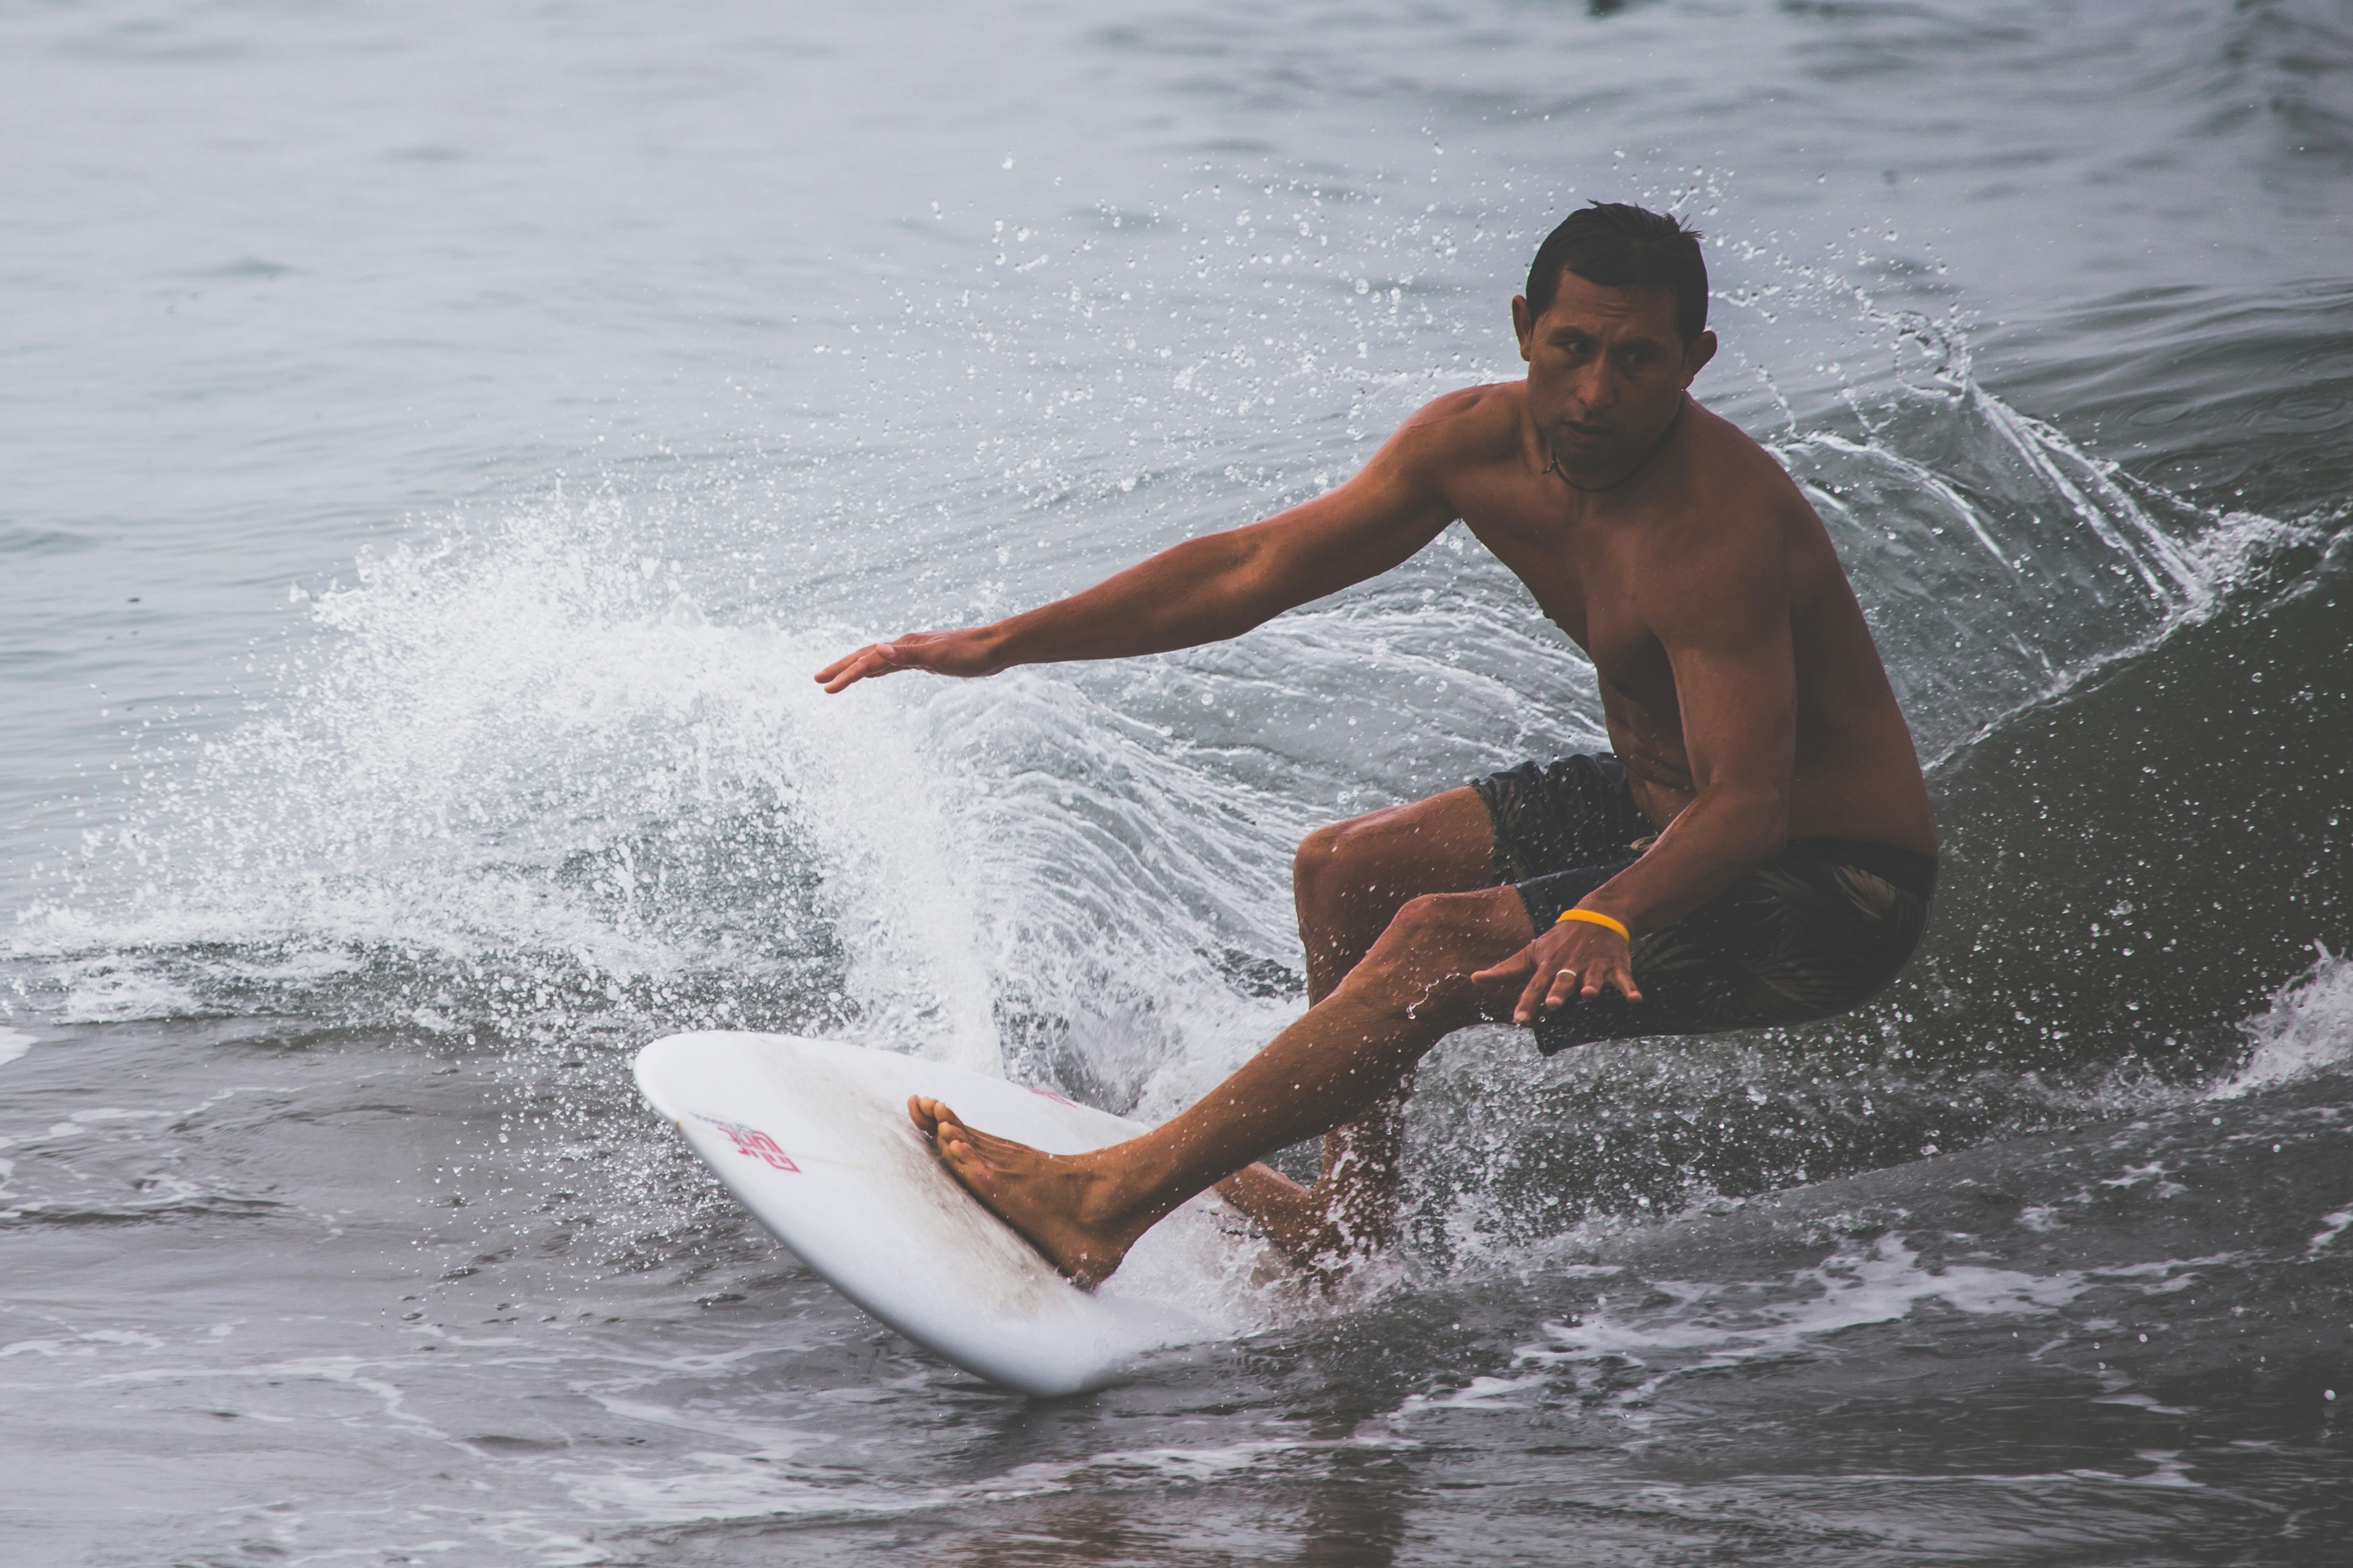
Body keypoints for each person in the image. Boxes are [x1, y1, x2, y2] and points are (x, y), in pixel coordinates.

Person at [815, 202, 1939, 1287]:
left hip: (1829, 883)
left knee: (1433, 945)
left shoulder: (1713, 529)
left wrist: (1607, 915)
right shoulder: (1474, 445)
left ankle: (1103, 1206)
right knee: (1349, 869)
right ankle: (1343, 1225)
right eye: (1573, 349)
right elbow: (1253, 568)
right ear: (1522, 332)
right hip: (1669, 805)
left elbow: (1750, 805)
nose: (1596, 394)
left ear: (1695, 362)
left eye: (1639, 361)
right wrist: (1002, 643)